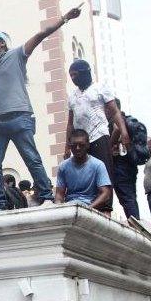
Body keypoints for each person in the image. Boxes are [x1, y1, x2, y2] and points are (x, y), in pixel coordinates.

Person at [0, 5, 84, 209]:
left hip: (19, 117)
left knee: (31, 158)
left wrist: (65, 18)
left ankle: (47, 197)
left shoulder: (17, 55)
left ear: (2, 43)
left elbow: (41, 34)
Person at [66, 59, 129, 213]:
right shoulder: (73, 96)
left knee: (104, 172)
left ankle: (106, 208)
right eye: (71, 76)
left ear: (84, 73)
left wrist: (124, 131)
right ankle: (89, 205)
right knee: (83, 173)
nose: (73, 79)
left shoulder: (101, 88)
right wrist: (67, 146)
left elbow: (114, 112)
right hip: (80, 140)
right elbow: (70, 123)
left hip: (99, 136)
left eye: (76, 75)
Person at [55, 130, 113, 210]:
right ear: (70, 146)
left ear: (88, 145)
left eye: (81, 145)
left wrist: (89, 209)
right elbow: (59, 194)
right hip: (69, 207)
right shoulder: (63, 166)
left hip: (91, 207)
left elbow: (106, 193)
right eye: (74, 145)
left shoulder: (98, 165)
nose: (77, 148)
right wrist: (58, 208)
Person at [111, 99, 142, 219]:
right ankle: (136, 222)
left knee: (126, 198)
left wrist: (109, 146)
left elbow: (117, 129)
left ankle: (135, 225)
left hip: (120, 166)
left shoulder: (117, 119)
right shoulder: (128, 119)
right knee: (131, 197)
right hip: (130, 164)